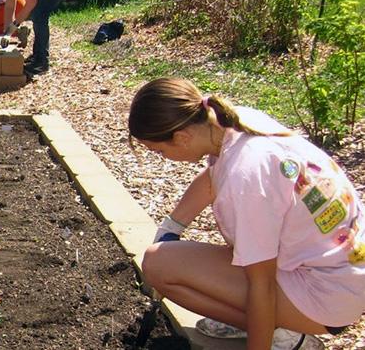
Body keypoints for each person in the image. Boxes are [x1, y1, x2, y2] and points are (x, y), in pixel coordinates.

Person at [129, 77, 365, 350]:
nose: (161, 157)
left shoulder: (245, 179)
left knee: (160, 268)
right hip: (346, 270)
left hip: (326, 297)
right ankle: (266, 320)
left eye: (159, 151)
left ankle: (287, 335)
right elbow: (212, 177)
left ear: (182, 138)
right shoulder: (233, 121)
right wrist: (172, 226)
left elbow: (261, 285)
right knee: (164, 258)